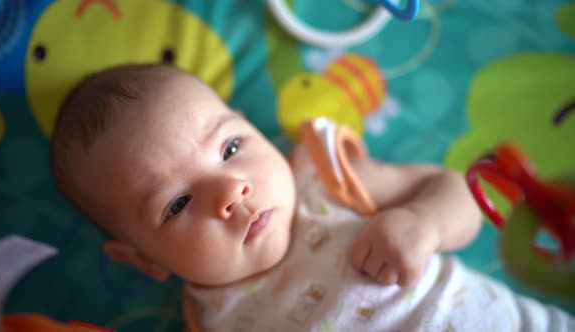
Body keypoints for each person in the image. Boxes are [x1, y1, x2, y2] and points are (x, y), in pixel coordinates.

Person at [50, 64, 574, 331]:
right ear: (143, 259)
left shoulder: (324, 185)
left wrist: (422, 221)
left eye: (231, 147)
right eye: (178, 204)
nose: (231, 190)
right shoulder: (210, 320)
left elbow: (458, 193)